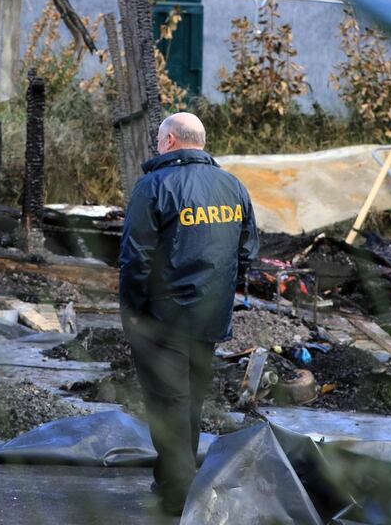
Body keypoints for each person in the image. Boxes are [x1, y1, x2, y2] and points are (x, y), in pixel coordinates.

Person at [119, 112, 259, 515]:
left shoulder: (154, 186)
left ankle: (179, 497)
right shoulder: (233, 186)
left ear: (169, 142)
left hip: (163, 319)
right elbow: (248, 252)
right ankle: (170, 482)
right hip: (211, 318)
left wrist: (132, 312)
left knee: (168, 406)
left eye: (159, 140)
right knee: (190, 402)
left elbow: (134, 258)